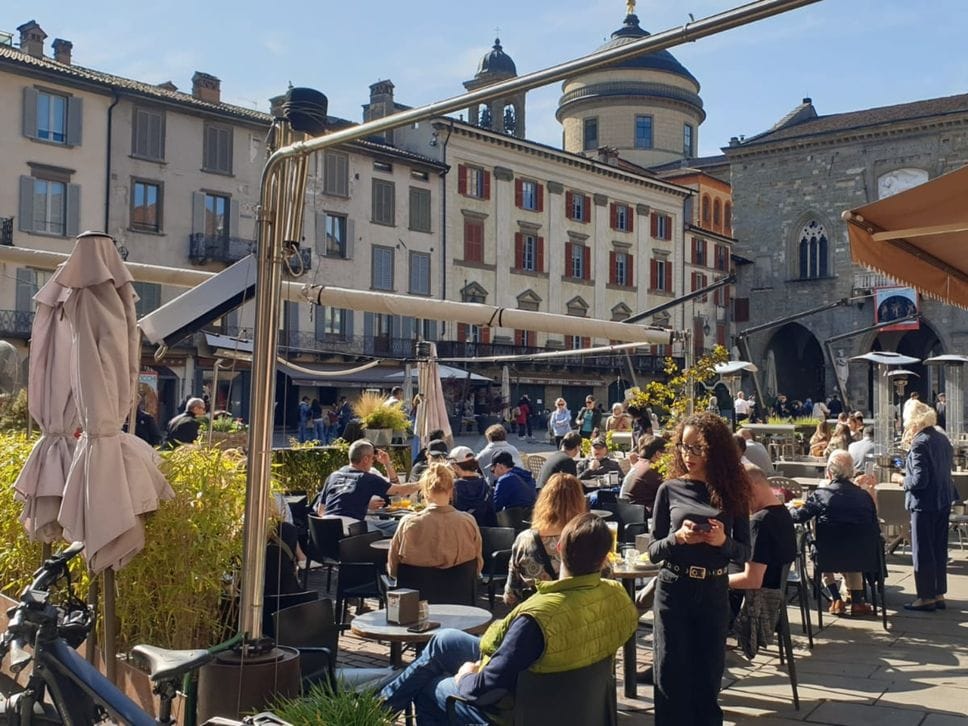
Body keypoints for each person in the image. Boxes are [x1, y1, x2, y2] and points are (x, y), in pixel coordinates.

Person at [380, 513, 639, 724]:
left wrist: (465, 677)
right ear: (606, 557)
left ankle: (373, 712)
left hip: (523, 710)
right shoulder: (616, 597)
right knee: (443, 640)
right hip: (577, 702)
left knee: (429, 688)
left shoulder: (538, 617)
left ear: (559, 548)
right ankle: (378, 708)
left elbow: (484, 685)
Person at [648, 411, 751, 725]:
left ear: (716, 450)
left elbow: (745, 552)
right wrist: (677, 538)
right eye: (683, 446)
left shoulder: (733, 491)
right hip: (673, 589)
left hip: (713, 590)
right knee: (669, 676)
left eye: (697, 448)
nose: (687, 455)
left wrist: (721, 541)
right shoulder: (669, 489)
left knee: (707, 677)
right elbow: (653, 551)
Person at [790, 451, 878, 616]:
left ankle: (836, 598)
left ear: (829, 472)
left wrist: (788, 510)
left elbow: (799, 517)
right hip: (863, 556)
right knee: (853, 544)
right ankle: (858, 601)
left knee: (817, 541)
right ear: (852, 472)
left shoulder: (822, 495)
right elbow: (874, 525)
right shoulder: (864, 496)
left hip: (828, 555)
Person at [892, 401, 956, 611]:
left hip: (924, 503)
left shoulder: (920, 442)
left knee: (922, 550)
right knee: (939, 549)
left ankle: (925, 596)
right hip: (943, 500)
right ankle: (938, 593)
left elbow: (920, 480)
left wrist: (901, 480)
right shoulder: (941, 438)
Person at [728, 465, 797, 658]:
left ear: (752, 487)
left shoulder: (760, 522)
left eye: (739, 492)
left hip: (755, 601)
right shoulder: (783, 515)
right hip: (774, 593)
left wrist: (715, 579)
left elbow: (753, 580)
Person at [504, 473, 588, 605]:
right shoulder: (587, 538)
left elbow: (511, 595)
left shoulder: (525, 540)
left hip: (539, 616)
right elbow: (606, 577)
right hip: (580, 615)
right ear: (580, 501)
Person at [387, 464, 483, 578]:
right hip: (459, 591)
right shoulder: (468, 522)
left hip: (415, 591)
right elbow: (477, 566)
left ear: (425, 492)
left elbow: (393, 569)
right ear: (451, 491)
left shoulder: (407, 523)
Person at [313, 439, 419, 529]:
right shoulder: (367, 478)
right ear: (365, 459)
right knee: (403, 528)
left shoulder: (333, 476)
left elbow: (321, 511)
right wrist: (425, 482)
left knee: (393, 525)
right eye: (373, 458)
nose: (374, 461)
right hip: (352, 530)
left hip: (324, 528)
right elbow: (399, 491)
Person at [620, 435, 668, 514]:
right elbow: (668, 489)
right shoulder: (651, 468)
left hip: (629, 512)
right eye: (666, 453)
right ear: (658, 454)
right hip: (641, 514)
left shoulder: (639, 464)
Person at [451, 454, 496, 528]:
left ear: (456, 466)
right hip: (485, 533)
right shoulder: (485, 485)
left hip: (462, 531)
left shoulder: (454, 487)